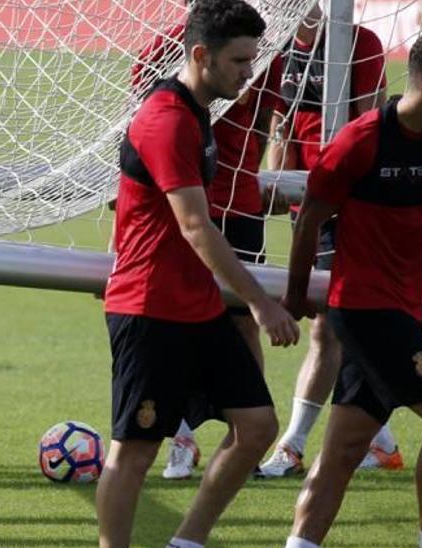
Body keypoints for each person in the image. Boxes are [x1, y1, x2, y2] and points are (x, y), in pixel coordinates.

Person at [96, 0, 300, 545]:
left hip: (197, 306)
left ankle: (186, 541)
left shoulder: (196, 114)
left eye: (252, 59)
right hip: (151, 310)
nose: (248, 72)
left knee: (257, 427)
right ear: (201, 54)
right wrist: (260, 301)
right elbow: (196, 226)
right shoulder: (165, 119)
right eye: (239, 60)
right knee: (134, 453)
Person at [282, 25, 422, 548]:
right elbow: (309, 218)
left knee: (344, 451)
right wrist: (295, 294)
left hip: (406, 308)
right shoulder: (361, 140)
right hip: (366, 308)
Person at [131, 1, 287, 481]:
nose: (247, 71)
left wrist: (258, 175)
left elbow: (265, 122)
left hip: (237, 203)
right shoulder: (169, 54)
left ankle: (243, 440)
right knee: (177, 322)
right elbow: (139, 116)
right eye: (239, 63)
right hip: (180, 208)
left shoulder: (264, 51)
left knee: (241, 326)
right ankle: (178, 433)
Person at [258, 4, 401, 478]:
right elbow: (279, 122)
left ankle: (293, 446)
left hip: (350, 206)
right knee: (345, 327)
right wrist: (277, 183)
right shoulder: (276, 49)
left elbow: (369, 124)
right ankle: (380, 442)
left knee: (328, 328)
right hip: (309, 204)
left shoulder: (358, 45)